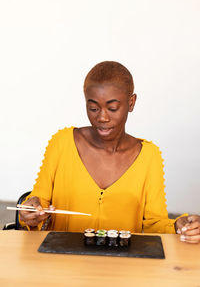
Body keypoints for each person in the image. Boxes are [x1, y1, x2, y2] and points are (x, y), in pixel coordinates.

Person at [19, 61, 200, 243]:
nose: (102, 117)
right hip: (61, 263)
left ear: (131, 102)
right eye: (93, 108)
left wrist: (178, 226)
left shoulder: (149, 156)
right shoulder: (62, 143)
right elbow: (38, 203)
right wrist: (31, 212)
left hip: (121, 266)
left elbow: (154, 224)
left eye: (112, 108)